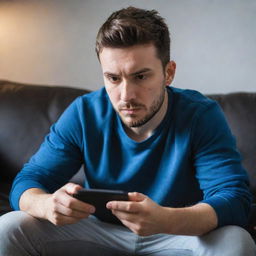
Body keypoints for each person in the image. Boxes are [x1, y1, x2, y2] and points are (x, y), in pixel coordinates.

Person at [0, 6, 255, 256]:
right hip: (98, 230)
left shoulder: (201, 115)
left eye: (141, 77)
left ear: (168, 73)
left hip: (176, 231)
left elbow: (234, 199)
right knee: (9, 227)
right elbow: (29, 180)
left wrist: (166, 220)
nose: (126, 96)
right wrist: (45, 204)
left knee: (236, 242)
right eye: (113, 78)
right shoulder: (84, 112)